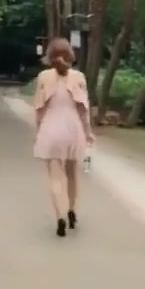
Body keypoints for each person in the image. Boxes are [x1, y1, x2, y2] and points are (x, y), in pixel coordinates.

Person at [32, 37, 95, 237]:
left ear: (50, 55)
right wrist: (88, 132)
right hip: (73, 129)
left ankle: (60, 217)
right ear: (70, 54)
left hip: (51, 129)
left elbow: (39, 109)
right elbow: (83, 109)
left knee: (55, 177)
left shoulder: (43, 77)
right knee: (72, 174)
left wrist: (38, 131)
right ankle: (72, 211)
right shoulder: (79, 77)